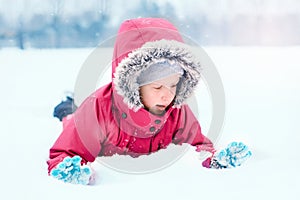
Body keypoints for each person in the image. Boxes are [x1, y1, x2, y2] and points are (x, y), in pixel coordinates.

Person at [48, 18, 251, 185]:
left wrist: (214, 158)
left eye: (173, 86)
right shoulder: (98, 110)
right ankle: (68, 107)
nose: (167, 95)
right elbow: (65, 152)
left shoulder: (177, 111)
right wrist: (71, 170)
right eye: (157, 87)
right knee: (72, 117)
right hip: (83, 116)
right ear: (133, 84)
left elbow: (197, 144)